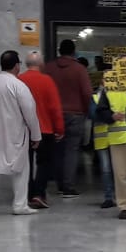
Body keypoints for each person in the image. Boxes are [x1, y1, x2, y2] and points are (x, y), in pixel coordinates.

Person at [0, 52, 42, 216]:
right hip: (15, 134)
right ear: (17, 66)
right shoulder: (18, 85)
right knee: (21, 169)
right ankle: (20, 205)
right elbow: (30, 112)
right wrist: (36, 135)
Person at [17, 50, 64, 208]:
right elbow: (55, 108)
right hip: (45, 129)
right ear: (41, 64)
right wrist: (59, 129)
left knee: (26, 165)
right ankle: (39, 194)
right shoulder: (47, 81)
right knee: (44, 163)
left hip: (23, 131)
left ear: (26, 64)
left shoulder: (19, 80)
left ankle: (28, 194)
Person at [47, 39, 94, 197]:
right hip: (75, 114)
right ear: (74, 52)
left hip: (54, 115)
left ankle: (59, 184)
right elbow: (87, 93)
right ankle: (68, 186)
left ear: (59, 51)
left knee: (57, 150)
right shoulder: (79, 69)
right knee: (71, 150)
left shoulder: (49, 68)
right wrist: (86, 110)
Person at [94, 74, 126, 219]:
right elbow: (101, 111)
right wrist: (111, 116)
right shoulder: (110, 88)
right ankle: (125, 206)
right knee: (121, 175)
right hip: (118, 138)